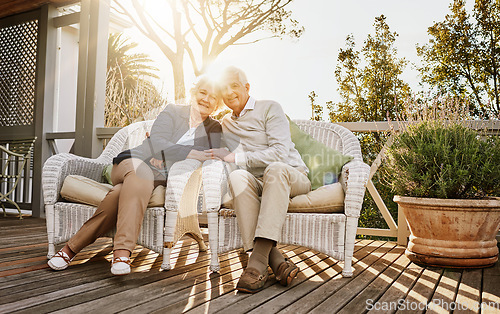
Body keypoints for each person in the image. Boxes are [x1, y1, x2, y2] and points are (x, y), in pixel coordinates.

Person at [48, 76, 223, 275]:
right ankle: (122, 252)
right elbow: (157, 142)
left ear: (217, 104)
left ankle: (69, 250)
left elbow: (207, 156)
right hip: (131, 162)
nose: (207, 99)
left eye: (213, 97)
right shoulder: (173, 111)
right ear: (194, 93)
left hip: (157, 178)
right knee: (140, 172)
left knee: (118, 194)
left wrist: (165, 154)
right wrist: (184, 151)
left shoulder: (214, 128)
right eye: (203, 92)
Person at [207, 66, 311, 293]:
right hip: (258, 182)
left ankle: (256, 264)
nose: (229, 92)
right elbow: (198, 131)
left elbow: (280, 153)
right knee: (237, 176)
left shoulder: (270, 108)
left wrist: (238, 156)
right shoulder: (225, 123)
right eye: (224, 88)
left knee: (275, 169)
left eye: (234, 86)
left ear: (247, 87)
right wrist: (161, 137)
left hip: (291, 175)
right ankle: (277, 263)